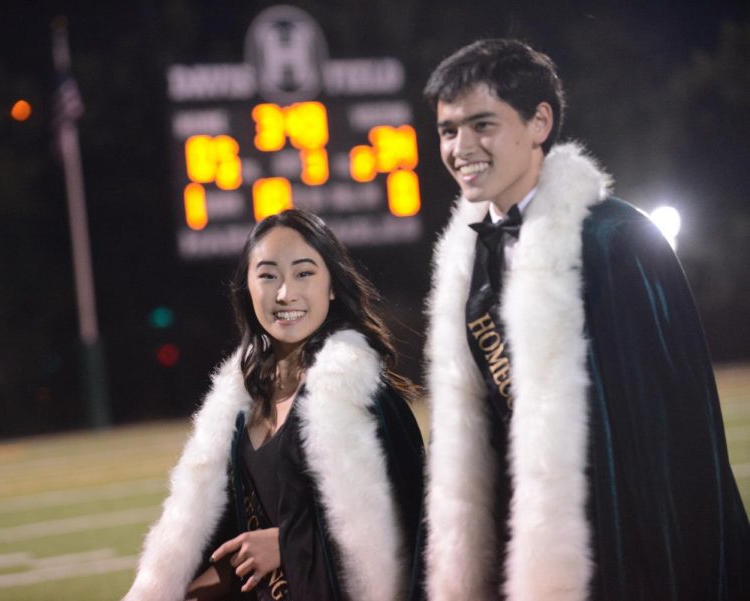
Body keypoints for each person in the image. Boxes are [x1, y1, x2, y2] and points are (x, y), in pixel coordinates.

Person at [421, 38, 749, 600]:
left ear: (539, 122)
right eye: (449, 131)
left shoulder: (616, 240)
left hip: (622, 550)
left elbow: (668, 438)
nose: (461, 147)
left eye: (482, 125)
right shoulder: (464, 261)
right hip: (513, 553)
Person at [123, 209, 424, 601]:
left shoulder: (366, 402)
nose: (285, 294)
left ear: (332, 286)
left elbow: (406, 536)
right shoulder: (238, 407)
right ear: (247, 288)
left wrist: (288, 545)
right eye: (267, 275)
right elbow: (230, 546)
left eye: (304, 273)